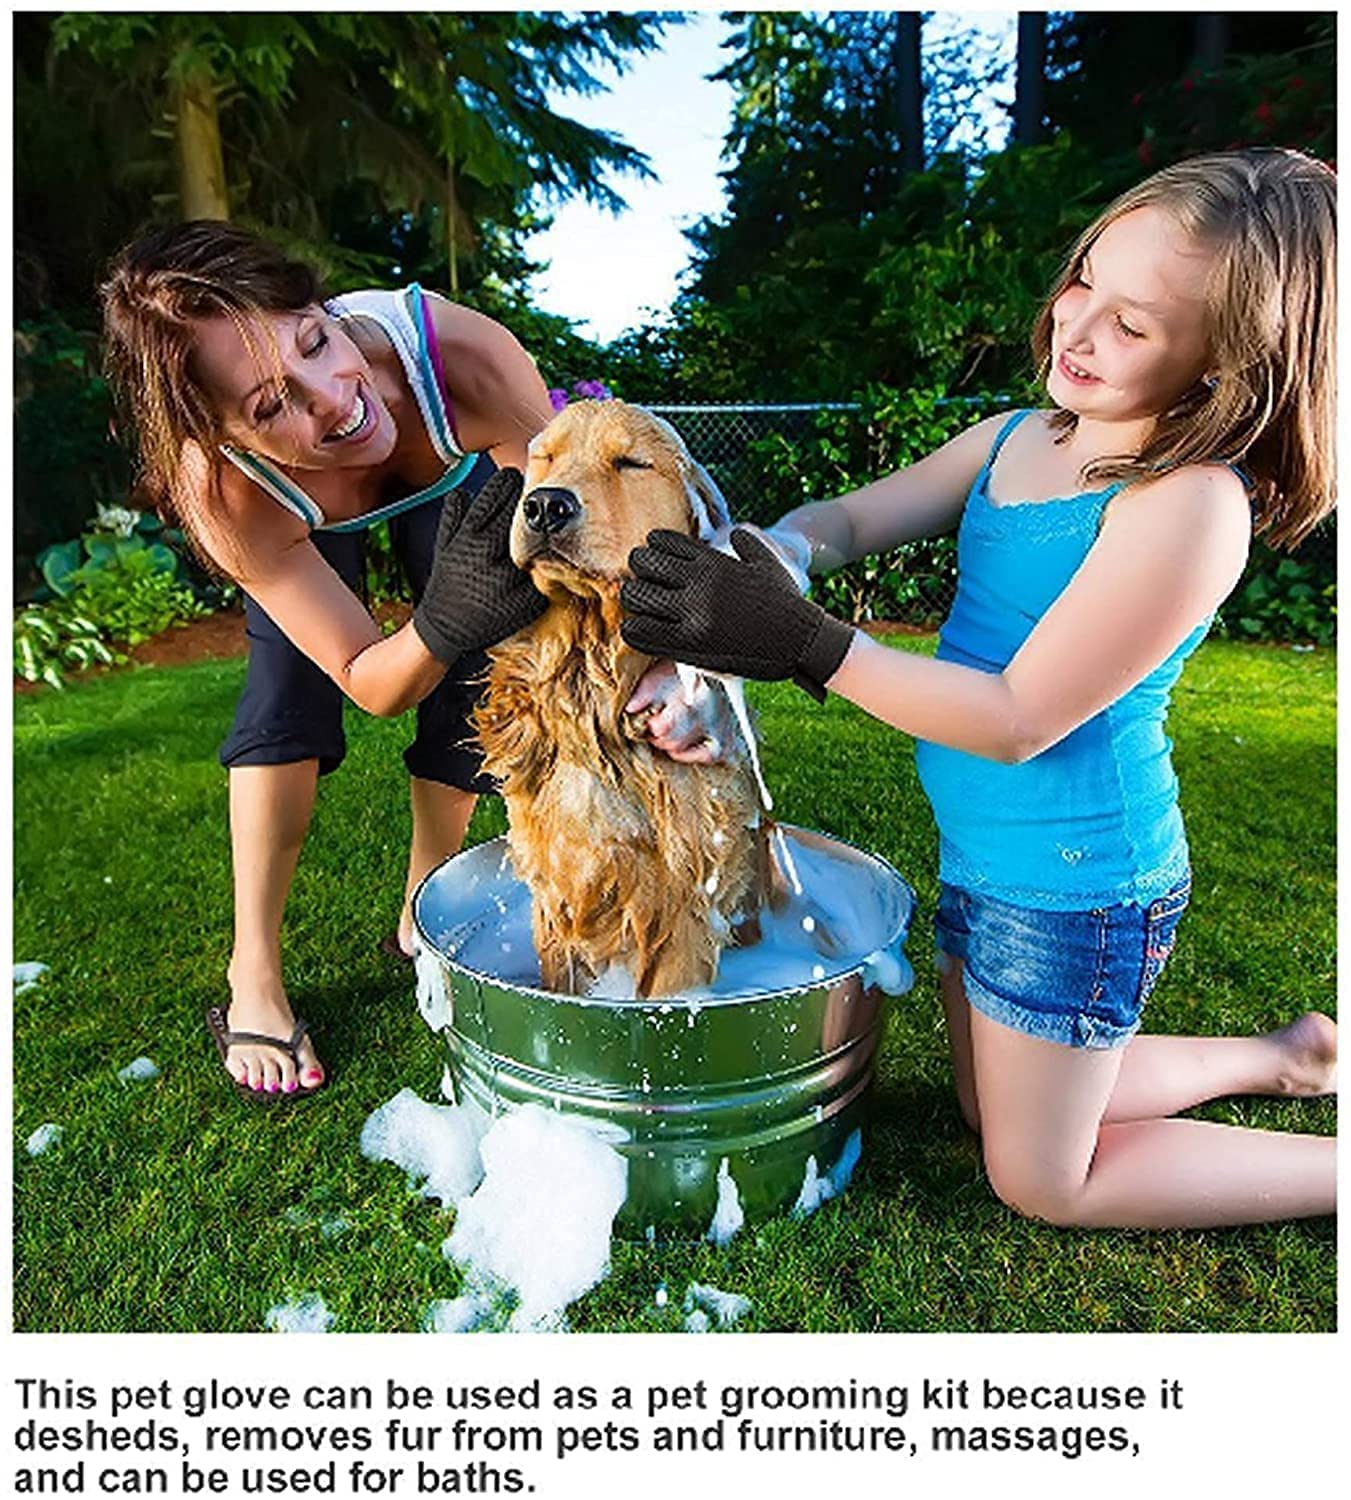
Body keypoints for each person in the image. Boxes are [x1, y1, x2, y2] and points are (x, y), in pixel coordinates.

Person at [620, 148, 1337, 1229]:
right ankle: (1280, 1058)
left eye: (1134, 325)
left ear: (1226, 366)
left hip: (1077, 881)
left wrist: (804, 644)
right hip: (983, 852)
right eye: (1085, 277)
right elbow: (851, 520)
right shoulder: (1015, 439)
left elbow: (1013, 720)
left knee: (1041, 1176)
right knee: (979, 1100)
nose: (1078, 326)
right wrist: (774, 557)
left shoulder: (1187, 506)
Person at [100, 221, 713, 1102]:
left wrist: (659, 667)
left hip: (452, 468)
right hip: (296, 504)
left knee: (477, 671)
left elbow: (582, 550)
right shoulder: (226, 490)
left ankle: (423, 903)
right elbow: (367, 679)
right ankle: (254, 973)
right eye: (273, 404)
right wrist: (433, 623)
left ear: (322, 305)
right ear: (221, 431)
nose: (333, 400)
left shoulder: (462, 360)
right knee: (287, 699)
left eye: (316, 341)